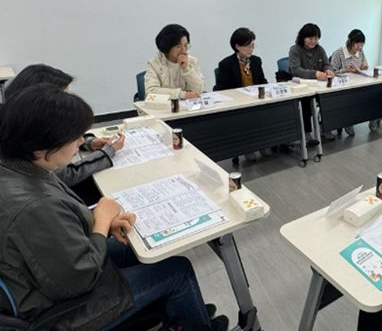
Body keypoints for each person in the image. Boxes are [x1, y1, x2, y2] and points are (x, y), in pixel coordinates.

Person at [0, 85, 227, 330]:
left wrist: (101, 220)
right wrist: (100, 221)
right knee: (177, 270)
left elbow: (56, 227)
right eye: (74, 137)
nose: (81, 141)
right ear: (41, 148)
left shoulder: (17, 167)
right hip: (56, 310)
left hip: (48, 274)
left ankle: (184, 312)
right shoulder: (33, 205)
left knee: (138, 247)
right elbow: (80, 279)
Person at [3, 64, 125, 205]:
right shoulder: (35, 171)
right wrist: (107, 152)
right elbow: (66, 174)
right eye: (62, 95)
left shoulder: (17, 124)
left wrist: (87, 142)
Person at [214, 28, 271, 161]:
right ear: (237, 46)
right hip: (238, 104)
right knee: (246, 116)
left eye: (252, 46)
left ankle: (263, 143)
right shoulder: (226, 64)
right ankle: (248, 147)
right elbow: (222, 89)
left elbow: (262, 81)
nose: (251, 49)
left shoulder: (256, 61)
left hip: (256, 100)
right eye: (247, 46)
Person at [288, 23, 335, 140]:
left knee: (330, 98)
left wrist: (328, 70)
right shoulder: (295, 50)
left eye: (316, 38)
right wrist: (314, 74)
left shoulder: (320, 49)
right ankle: (307, 132)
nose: (313, 41)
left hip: (319, 86)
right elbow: (296, 70)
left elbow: (326, 63)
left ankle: (325, 127)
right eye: (310, 38)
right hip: (302, 87)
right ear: (303, 37)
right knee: (306, 102)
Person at [330, 29, 380, 135]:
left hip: (357, 83)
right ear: (350, 41)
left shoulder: (360, 52)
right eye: (357, 44)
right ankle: (348, 121)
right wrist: (345, 70)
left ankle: (373, 118)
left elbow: (364, 65)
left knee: (374, 95)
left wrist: (364, 67)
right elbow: (331, 72)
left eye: (362, 44)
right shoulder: (339, 53)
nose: (359, 47)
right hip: (343, 86)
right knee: (352, 98)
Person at [145, 24, 204, 100]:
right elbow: (151, 92)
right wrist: (182, 94)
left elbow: (199, 90)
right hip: (165, 106)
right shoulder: (154, 64)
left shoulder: (192, 61)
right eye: (178, 47)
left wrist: (186, 69)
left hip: (187, 105)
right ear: (167, 47)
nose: (183, 51)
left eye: (186, 45)